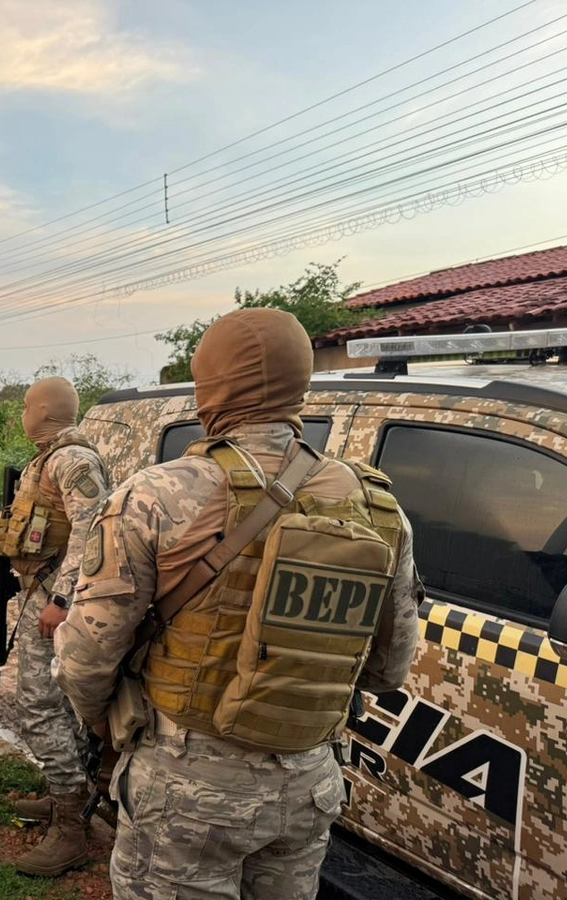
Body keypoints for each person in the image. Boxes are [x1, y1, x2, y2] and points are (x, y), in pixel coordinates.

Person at [54, 308, 423, 900]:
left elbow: (86, 656)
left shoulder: (155, 495)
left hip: (186, 787)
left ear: (210, 386)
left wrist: (102, 718)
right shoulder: (379, 508)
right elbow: (388, 670)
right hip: (308, 782)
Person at [0, 376, 109, 877]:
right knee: (56, 704)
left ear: (43, 411)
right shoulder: (48, 459)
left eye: (26, 405)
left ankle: (71, 827)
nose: (23, 413)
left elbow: (93, 529)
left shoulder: (72, 460)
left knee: (39, 706)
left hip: (58, 599)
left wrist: (62, 598)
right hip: (42, 592)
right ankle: (67, 794)